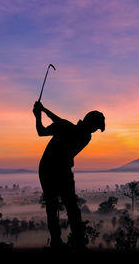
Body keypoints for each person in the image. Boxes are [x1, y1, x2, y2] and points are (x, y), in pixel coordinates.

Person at [33, 101, 105, 249]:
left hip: (59, 170)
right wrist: (41, 113)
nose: (94, 131)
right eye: (95, 127)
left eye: (96, 129)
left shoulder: (84, 136)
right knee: (55, 207)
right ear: (88, 123)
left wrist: (41, 112)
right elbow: (46, 129)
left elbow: (60, 126)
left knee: (67, 207)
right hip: (49, 169)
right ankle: (58, 242)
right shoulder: (75, 130)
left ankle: (75, 241)